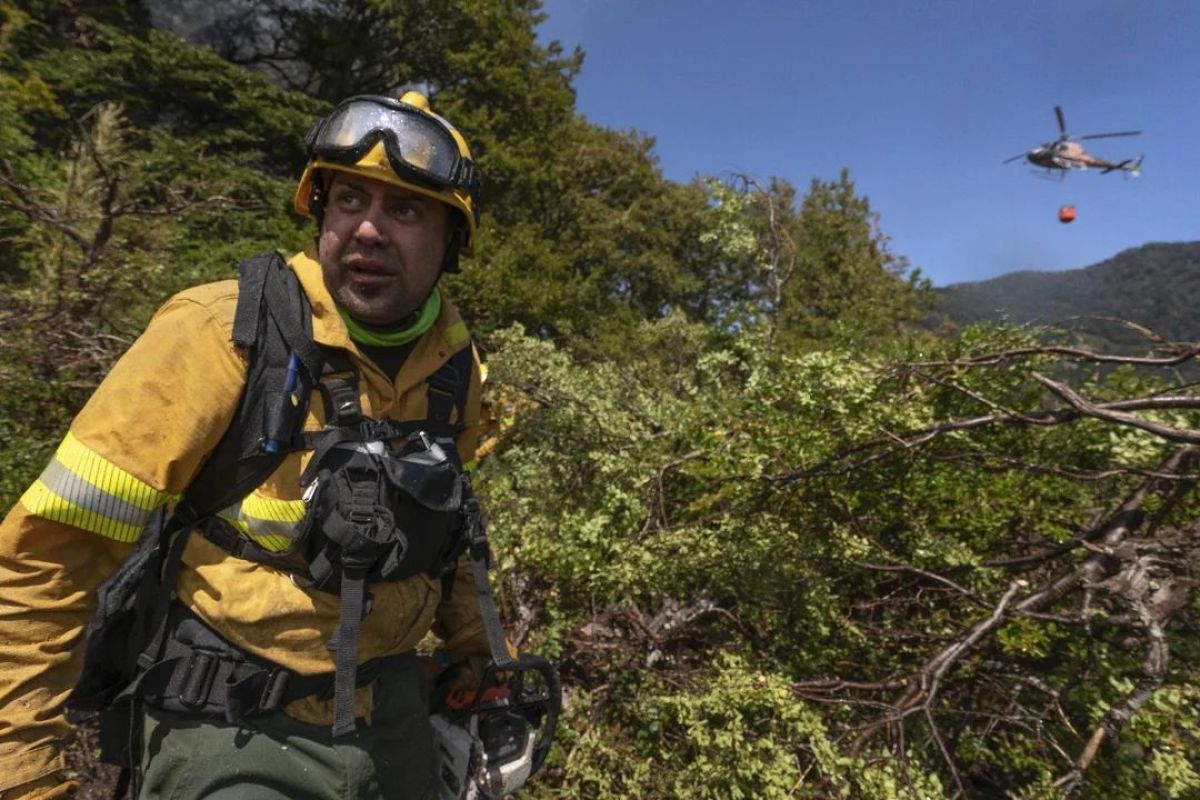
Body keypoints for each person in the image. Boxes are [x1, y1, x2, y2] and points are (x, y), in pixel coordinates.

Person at [0, 90, 501, 800]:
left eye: (406, 210)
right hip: (232, 724)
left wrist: (479, 660)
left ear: (452, 241)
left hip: (394, 721)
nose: (367, 229)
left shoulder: (456, 368)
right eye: (348, 199)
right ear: (319, 211)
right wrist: (21, 773)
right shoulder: (222, 332)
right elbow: (48, 557)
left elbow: (449, 535)